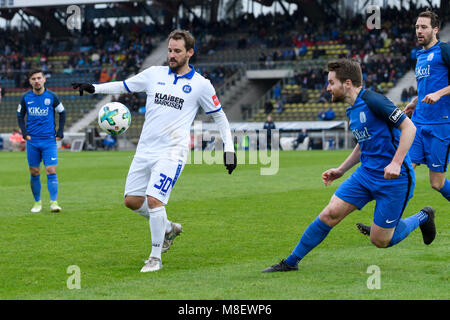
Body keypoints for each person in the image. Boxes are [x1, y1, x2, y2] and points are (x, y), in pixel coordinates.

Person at [72, 29, 237, 273]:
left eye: (177, 51)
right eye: (170, 50)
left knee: (154, 199)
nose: (171, 55)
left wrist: (230, 150)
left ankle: (155, 258)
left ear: (190, 53)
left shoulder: (201, 85)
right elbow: (125, 85)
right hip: (145, 149)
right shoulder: (154, 74)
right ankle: (168, 227)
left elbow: (220, 117)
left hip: (172, 151)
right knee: (131, 200)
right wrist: (94, 88)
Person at [263, 59, 436, 273]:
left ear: (346, 83)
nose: (327, 88)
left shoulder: (373, 100)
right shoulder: (351, 109)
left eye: (331, 82)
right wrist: (341, 169)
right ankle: (290, 262)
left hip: (394, 179)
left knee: (381, 240)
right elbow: (363, 145)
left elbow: (409, 128)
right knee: (330, 214)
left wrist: (396, 162)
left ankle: (423, 216)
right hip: (365, 175)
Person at [402, 10, 450, 202]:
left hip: (441, 125)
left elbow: (436, 89)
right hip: (418, 124)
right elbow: (426, 88)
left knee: (436, 183)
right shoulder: (420, 56)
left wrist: (439, 94)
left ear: (435, 29)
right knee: (403, 172)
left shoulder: (444, 50)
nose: (419, 31)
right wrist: (414, 103)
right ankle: (386, 226)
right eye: (417, 27)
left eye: (423, 27)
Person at [17, 69, 66, 213]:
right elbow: (20, 115)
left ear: (44, 79)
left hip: (49, 140)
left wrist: (60, 131)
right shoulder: (25, 97)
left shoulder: (52, 96)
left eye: (39, 78)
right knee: (34, 171)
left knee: (51, 170)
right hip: (32, 141)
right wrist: (24, 133)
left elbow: (62, 113)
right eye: (33, 79)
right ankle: (37, 202)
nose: (37, 81)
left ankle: (54, 202)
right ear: (30, 81)